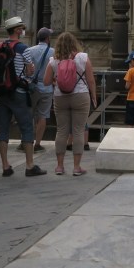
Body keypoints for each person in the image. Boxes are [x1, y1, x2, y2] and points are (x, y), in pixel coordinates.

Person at [0, 16, 46, 177]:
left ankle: (5, 166)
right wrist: (29, 71)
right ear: (17, 30)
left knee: (3, 127)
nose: (23, 30)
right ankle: (30, 165)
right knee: (27, 128)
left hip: (2, 92)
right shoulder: (22, 48)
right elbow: (29, 71)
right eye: (22, 28)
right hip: (19, 92)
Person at [43, 31, 97, 176]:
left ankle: (59, 167)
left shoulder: (53, 60)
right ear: (74, 43)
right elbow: (91, 80)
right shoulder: (83, 57)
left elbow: (46, 81)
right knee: (78, 131)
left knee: (61, 131)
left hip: (60, 97)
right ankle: (76, 167)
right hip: (81, 96)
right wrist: (94, 96)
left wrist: (57, 81)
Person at [21, 27, 54, 153]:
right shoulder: (53, 52)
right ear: (47, 38)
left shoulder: (29, 50)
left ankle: (25, 141)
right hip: (47, 87)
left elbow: (25, 69)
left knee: (28, 114)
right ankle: (38, 143)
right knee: (43, 116)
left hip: (32, 87)